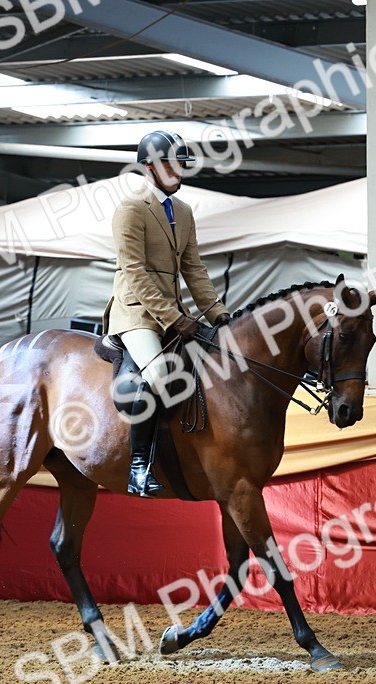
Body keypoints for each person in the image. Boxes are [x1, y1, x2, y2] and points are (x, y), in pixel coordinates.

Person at [102, 130, 231, 497]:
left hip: (175, 310)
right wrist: (173, 319)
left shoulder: (185, 212)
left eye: (182, 166)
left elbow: (194, 269)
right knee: (159, 372)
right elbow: (135, 272)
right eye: (173, 166)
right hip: (137, 314)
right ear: (150, 167)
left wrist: (219, 314)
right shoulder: (130, 209)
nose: (180, 173)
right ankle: (138, 468)